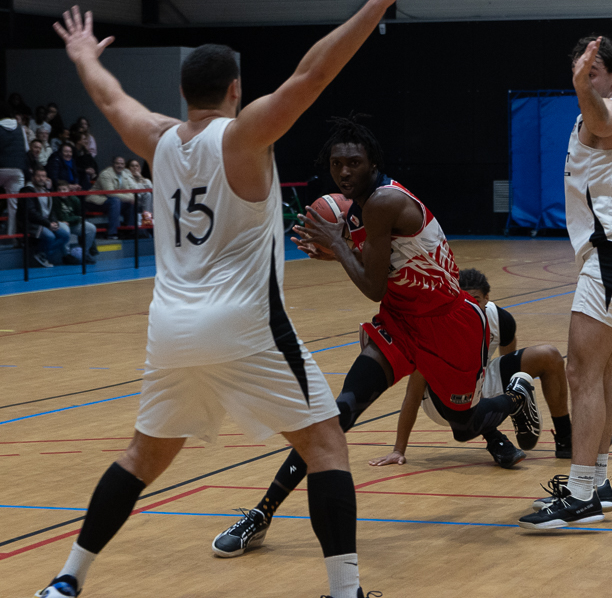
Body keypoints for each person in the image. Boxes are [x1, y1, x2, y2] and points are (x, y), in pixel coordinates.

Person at [35, 0, 411, 597]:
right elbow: (311, 76)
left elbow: (113, 100)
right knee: (325, 446)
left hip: (170, 330)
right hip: (244, 324)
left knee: (142, 457)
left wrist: (83, 57)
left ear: (184, 93)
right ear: (235, 90)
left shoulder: (155, 138)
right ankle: (346, 591)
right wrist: (376, 2)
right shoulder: (242, 136)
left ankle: (67, 580)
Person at [208, 116, 540, 559]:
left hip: (450, 326)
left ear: (373, 163)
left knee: (465, 427)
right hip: (401, 322)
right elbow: (382, 275)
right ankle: (261, 514)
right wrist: (337, 252)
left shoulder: (383, 202)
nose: (344, 172)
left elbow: (372, 285)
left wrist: (339, 245)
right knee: (337, 412)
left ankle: (515, 396)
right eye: (336, 163)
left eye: (354, 162)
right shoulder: (365, 204)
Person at [518, 35, 612, 530]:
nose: (584, 73)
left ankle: (580, 494)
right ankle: (597, 483)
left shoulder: (605, 113)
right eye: (580, 66)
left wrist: (580, 88)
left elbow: (604, 121)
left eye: (593, 68)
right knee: (599, 374)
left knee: (581, 373)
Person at [367, 267, 571, 469]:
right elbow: (412, 395)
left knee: (550, 356)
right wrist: (398, 450)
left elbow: (509, 369)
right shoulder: (436, 329)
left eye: (477, 299)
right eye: (467, 300)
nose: (473, 305)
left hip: (479, 383)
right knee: (464, 382)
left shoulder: (501, 319)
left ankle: (565, 439)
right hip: (440, 403)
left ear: (487, 298)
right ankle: (497, 442)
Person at [17, 166, 70, 267]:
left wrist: (53, 222)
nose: (41, 179)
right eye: (38, 176)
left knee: (65, 235)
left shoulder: (46, 192)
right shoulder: (27, 191)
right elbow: (31, 213)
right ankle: (41, 253)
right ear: (33, 178)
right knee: (50, 236)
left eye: (43, 176)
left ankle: (42, 253)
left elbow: (51, 211)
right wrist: (48, 224)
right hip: (32, 223)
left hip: (46, 222)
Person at [86, 156, 136, 238]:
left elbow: (128, 190)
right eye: (117, 163)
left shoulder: (124, 174)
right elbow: (110, 193)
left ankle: (129, 231)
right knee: (115, 201)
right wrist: (129, 198)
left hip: (112, 200)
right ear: (113, 164)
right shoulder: (105, 174)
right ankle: (112, 233)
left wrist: (132, 198)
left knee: (130, 203)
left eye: (122, 164)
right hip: (95, 201)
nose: (120, 166)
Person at [0, 101, 29, 235]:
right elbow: (26, 149)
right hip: (17, 170)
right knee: (14, 206)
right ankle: (12, 237)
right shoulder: (20, 128)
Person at [52, 178, 97, 262]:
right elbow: (61, 218)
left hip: (73, 223)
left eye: (64, 189)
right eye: (59, 190)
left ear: (68, 190)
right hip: (60, 223)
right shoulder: (54, 200)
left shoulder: (74, 199)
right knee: (65, 227)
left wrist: (74, 219)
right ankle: (67, 255)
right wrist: (73, 219)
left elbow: (79, 215)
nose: (62, 192)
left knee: (91, 228)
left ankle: (85, 253)